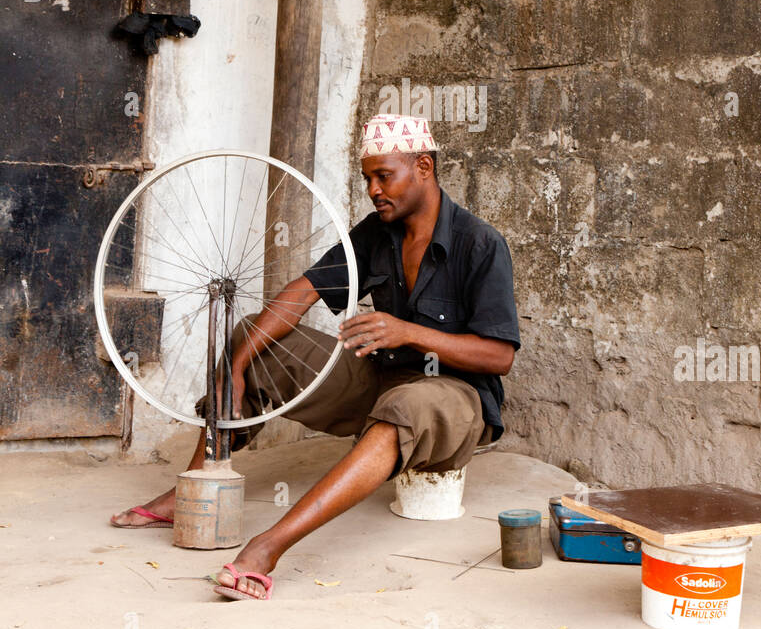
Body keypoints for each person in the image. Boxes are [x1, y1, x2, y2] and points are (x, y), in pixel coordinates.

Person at [111, 114, 521, 601]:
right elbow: (300, 293)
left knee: (406, 407)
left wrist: (408, 331)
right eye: (367, 177)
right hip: (383, 377)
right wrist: (239, 367)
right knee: (253, 338)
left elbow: (499, 356)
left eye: (383, 176)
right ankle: (192, 488)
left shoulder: (480, 244)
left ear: (425, 167)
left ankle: (269, 547)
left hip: (456, 395)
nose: (373, 189)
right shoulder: (378, 232)